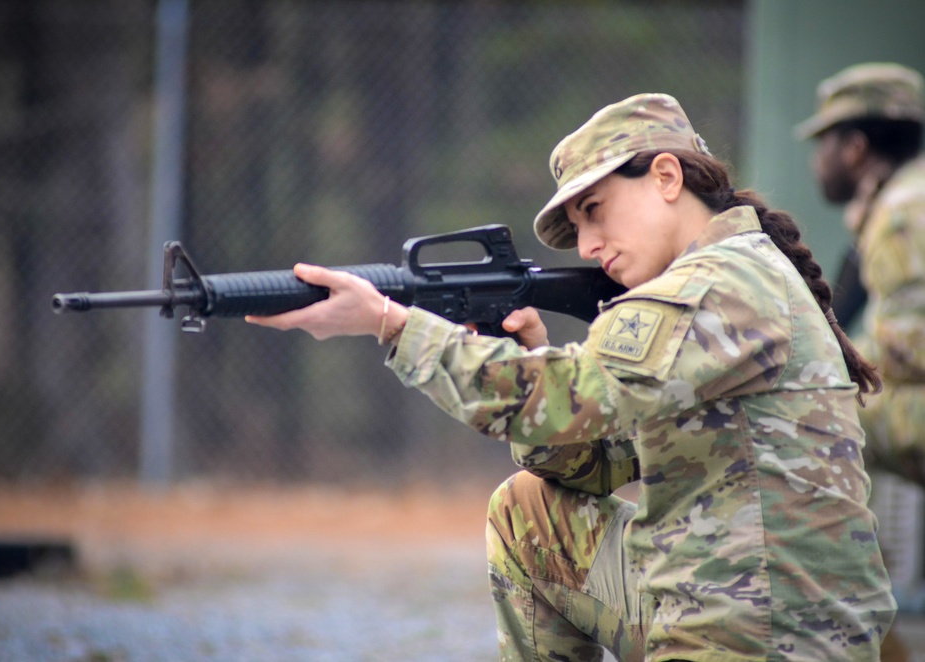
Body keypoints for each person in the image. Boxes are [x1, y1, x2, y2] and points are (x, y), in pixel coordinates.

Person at [247, 93, 896, 660]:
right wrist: (536, 360)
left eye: (595, 209)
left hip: (762, 638)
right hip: (759, 616)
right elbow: (599, 465)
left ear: (666, 176)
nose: (586, 245)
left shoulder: (715, 283)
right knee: (527, 511)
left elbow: (564, 402)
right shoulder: (735, 273)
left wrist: (390, 323)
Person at [796, 62, 925, 488]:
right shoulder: (905, 195)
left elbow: (912, 345)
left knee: (812, 412)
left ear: (854, 148)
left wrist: (826, 366)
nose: (817, 161)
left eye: (823, 144)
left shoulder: (901, 215)